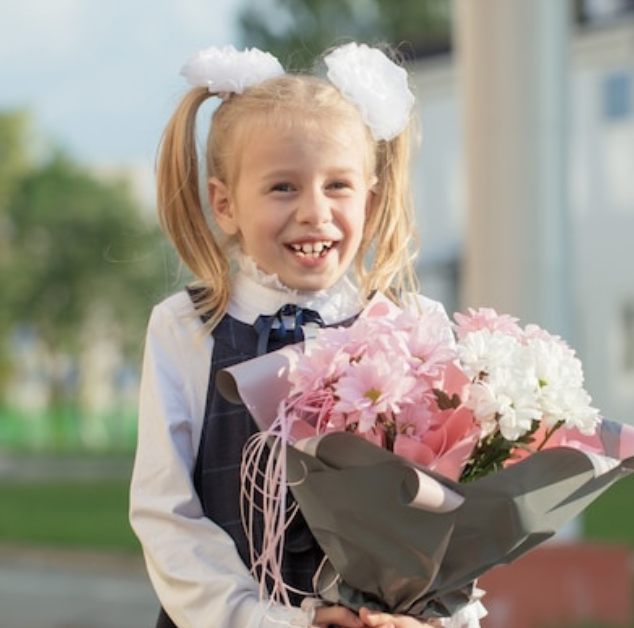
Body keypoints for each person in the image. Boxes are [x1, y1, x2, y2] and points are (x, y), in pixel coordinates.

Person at [129, 43, 485, 628]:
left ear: (369, 201)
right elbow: (168, 518)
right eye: (283, 188)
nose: (315, 211)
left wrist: (434, 614)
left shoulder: (412, 324)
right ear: (224, 204)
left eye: (338, 185)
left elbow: (450, 504)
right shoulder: (186, 328)